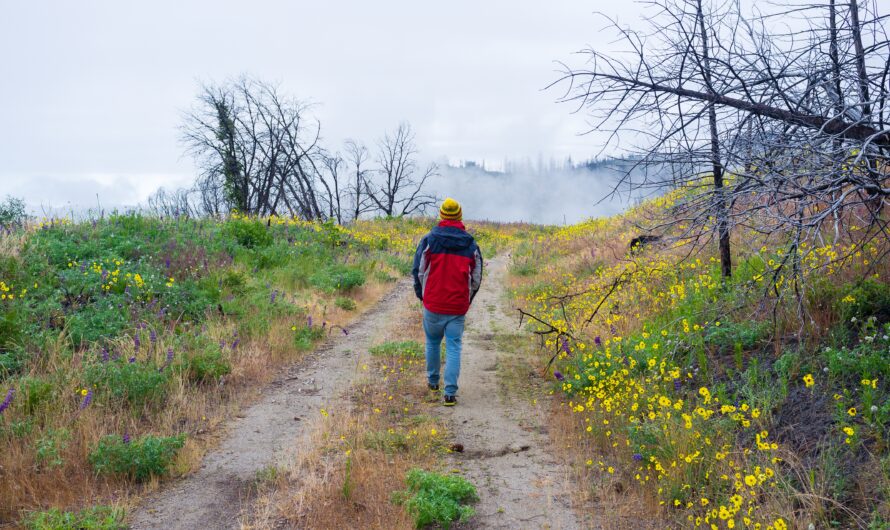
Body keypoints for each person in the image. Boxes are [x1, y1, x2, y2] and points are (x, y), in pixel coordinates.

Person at [412, 198, 483, 406]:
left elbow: (419, 272)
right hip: (457, 307)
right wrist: (467, 300)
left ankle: (433, 382)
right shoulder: (470, 244)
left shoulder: (428, 240)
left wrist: (422, 296)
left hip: (433, 303)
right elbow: (476, 278)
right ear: (459, 216)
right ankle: (450, 393)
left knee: (432, 342)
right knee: (453, 347)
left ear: (442, 215)